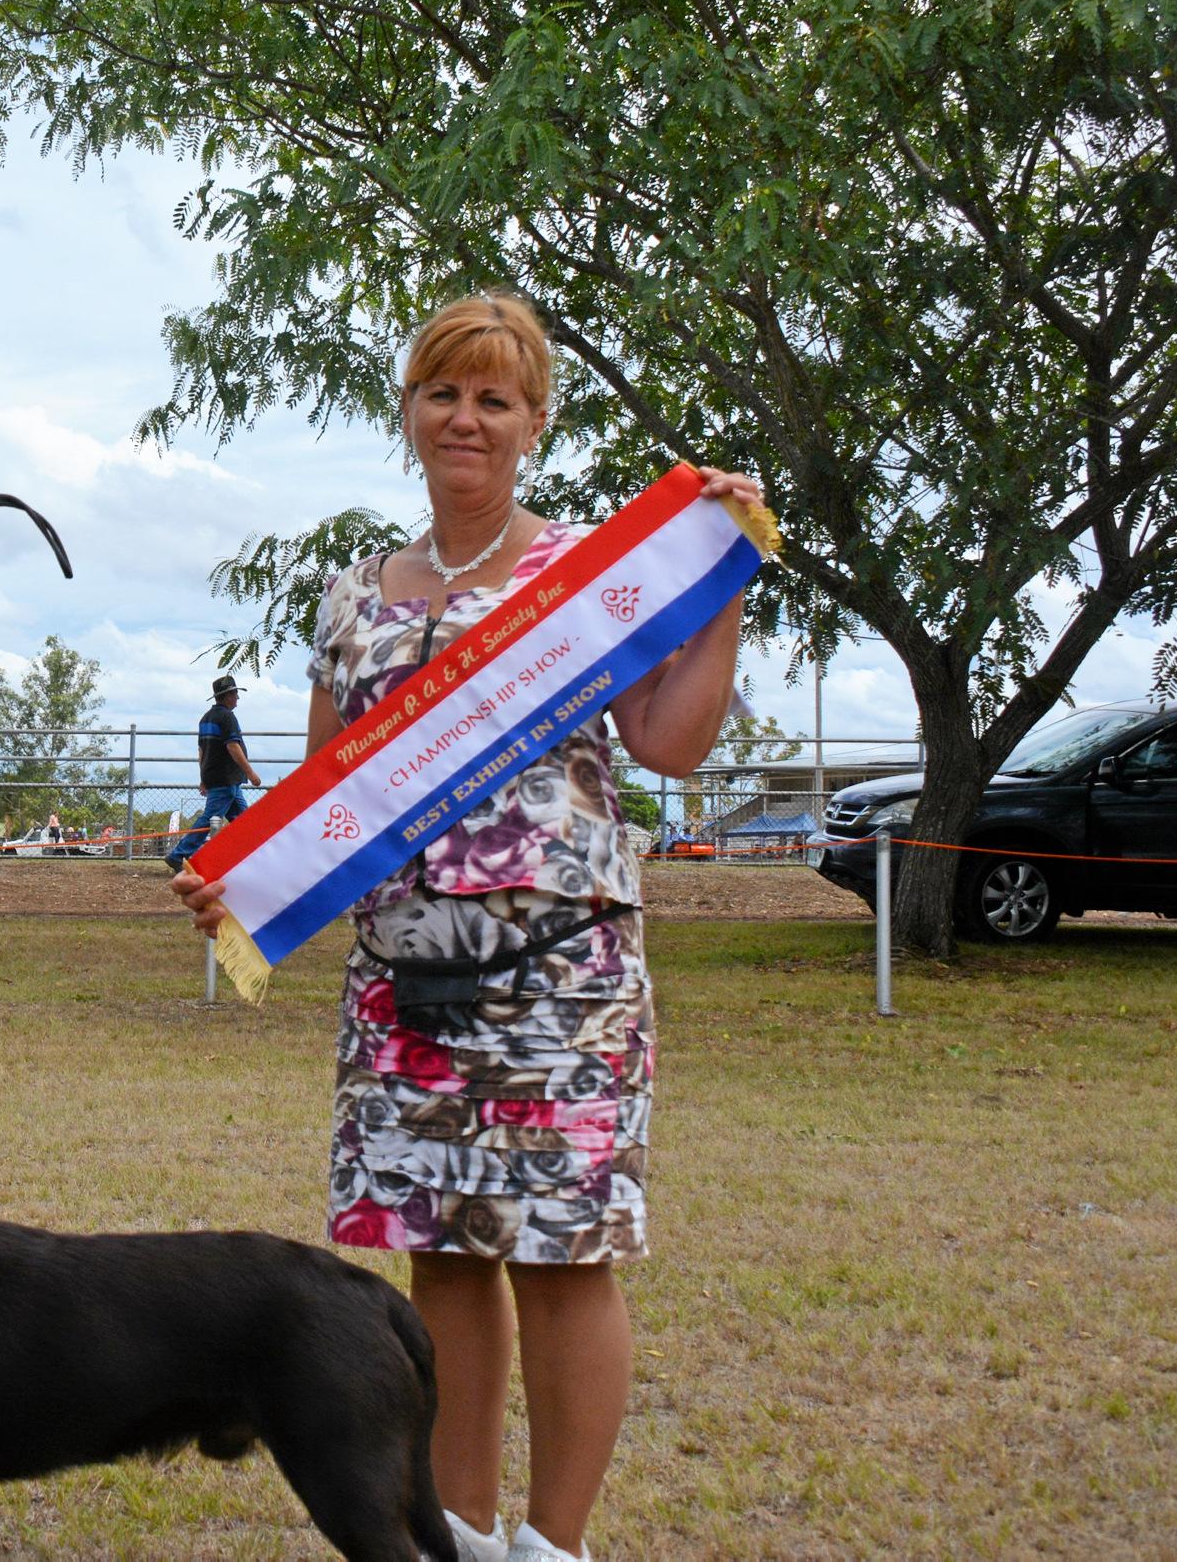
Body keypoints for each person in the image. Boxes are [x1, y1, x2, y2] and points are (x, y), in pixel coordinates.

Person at [170, 294, 760, 1562]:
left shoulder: (595, 578)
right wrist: (242, 881)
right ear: (410, 409)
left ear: (535, 422)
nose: (468, 419)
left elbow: (668, 743)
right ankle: (454, 1539)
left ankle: (550, 1551)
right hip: (404, 984)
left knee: (562, 1255)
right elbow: (323, 802)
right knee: (441, 1260)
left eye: (496, 399)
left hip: (564, 975)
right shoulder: (348, 600)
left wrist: (721, 594)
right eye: (446, 392)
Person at [167, 674, 263, 872]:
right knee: (210, 817)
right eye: (235, 693)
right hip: (226, 778)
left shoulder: (206, 718)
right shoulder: (227, 717)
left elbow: (202, 751)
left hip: (221, 778)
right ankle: (178, 855)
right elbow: (233, 747)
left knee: (243, 820)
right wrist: (251, 773)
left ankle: (253, 856)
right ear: (227, 696)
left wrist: (203, 778)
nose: (237, 697)